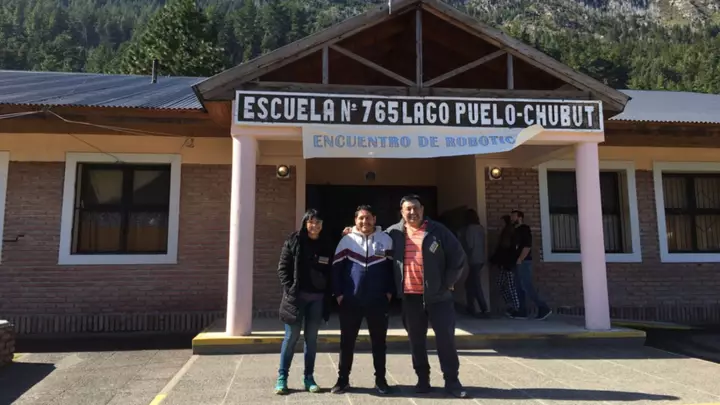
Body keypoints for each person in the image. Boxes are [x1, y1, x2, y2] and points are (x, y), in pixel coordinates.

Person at [386, 195, 469, 399]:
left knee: (446, 340)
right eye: (408, 209)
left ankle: (452, 381)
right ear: (401, 212)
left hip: (439, 297)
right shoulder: (393, 233)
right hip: (410, 298)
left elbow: (458, 257)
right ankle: (423, 379)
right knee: (416, 342)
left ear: (422, 209)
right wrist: (352, 231)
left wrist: (448, 282)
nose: (412, 212)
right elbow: (372, 240)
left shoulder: (438, 231)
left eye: (415, 208)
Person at [330, 205, 394, 395]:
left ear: (374, 219)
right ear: (355, 220)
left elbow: (393, 269)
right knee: (347, 342)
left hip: (378, 300)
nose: (364, 222)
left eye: (368, 218)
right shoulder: (347, 240)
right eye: (361, 218)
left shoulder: (386, 239)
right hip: (351, 300)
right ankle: (342, 380)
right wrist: (339, 294)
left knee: (379, 342)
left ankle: (381, 380)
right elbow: (336, 269)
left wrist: (389, 292)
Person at [275, 209, 334, 395]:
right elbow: (282, 269)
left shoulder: (327, 244)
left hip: (317, 300)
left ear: (322, 225)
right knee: (291, 338)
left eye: (318, 222)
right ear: (305, 223)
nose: (314, 226)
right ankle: (282, 378)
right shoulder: (294, 241)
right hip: (295, 299)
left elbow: (331, 269)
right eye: (311, 222)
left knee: (311, 339)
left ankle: (309, 377)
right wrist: (291, 289)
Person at [510, 210, 552, 320]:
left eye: (514, 216)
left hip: (523, 262)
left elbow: (527, 246)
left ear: (520, 217)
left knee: (526, 285)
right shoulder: (515, 230)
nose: (511, 218)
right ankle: (522, 311)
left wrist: (520, 259)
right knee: (518, 286)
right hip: (517, 262)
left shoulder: (524, 229)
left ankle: (543, 308)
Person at [457, 209, 489, 317]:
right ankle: (471, 307)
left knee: (475, 284)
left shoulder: (470, 229)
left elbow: (470, 245)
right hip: (480, 259)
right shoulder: (480, 228)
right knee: (470, 284)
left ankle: (483, 308)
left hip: (473, 259)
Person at [489, 215, 520, 317]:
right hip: (505, 263)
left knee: (510, 286)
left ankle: (517, 308)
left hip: (508, 263)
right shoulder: (509, 231)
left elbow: (503, 248)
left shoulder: (508, 232)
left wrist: (495, 260)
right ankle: (511, 305)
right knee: (500, 284)